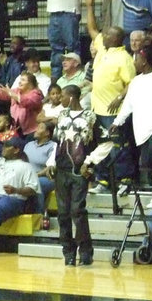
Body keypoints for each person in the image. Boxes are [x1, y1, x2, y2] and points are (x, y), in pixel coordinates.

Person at [83, 0, 138, 194]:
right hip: (98, 109)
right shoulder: (103, 48)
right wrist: (89, 6)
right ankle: (103, 180)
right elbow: (91, 29)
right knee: (102, 146)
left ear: (115, 39)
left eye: (107, 35)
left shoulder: (124, 58)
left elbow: (132, 84)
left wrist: (119, 97)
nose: (103, 36)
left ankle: (126, 180)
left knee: (119, 145)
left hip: (115, 111)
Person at [46, 85, 99, 266]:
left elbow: (105, 143)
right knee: (63, 213)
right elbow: (57, 142)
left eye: (63, 96)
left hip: (79, 171)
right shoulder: (61, 116)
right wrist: (51, 162)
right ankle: (68, 252)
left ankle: (85, 251)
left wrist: (89, 161)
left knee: (77, 211)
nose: (60, 99)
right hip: (61, 169)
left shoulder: (90, 117)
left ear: (72, 97)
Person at [111, 44, 152, 205]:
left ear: (144, 61)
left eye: (136, 59)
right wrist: (117, 122)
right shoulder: (136, 81)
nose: (133, 62)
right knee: (148, 164)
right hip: (141, 129)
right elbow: (128, 105)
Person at [0, 72, 44, 138]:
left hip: (31, 132)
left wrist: (13, 95)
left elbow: (28, 102)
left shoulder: (36, 94)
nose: (19, 82)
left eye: (23, 80)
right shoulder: (16, 91)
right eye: (20, 80)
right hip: (16, 130)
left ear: (30, 83)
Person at [24, 121, 57, 230]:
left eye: (40, 128)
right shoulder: (29, 145)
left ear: (47, 133)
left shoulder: (53, 146)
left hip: (46, 178)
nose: (36, 130)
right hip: (26, 177)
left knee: (36, 184)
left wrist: (35, 175)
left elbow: (50, 167)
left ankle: (40, 216)